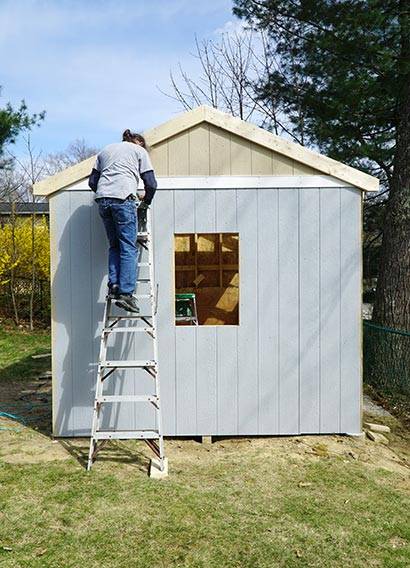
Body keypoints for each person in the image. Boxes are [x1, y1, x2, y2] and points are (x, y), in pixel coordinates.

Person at [88, 129, 157, 313]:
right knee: (128, 246)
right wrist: (145, 202)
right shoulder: (139, 151)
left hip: (103, 200)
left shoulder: (105, 150)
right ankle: (126, 294)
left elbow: (92, 182)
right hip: (123, 198)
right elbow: (151, 183)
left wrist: (107, 191)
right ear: (139, 143)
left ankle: (115, 285)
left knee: (115, 245)